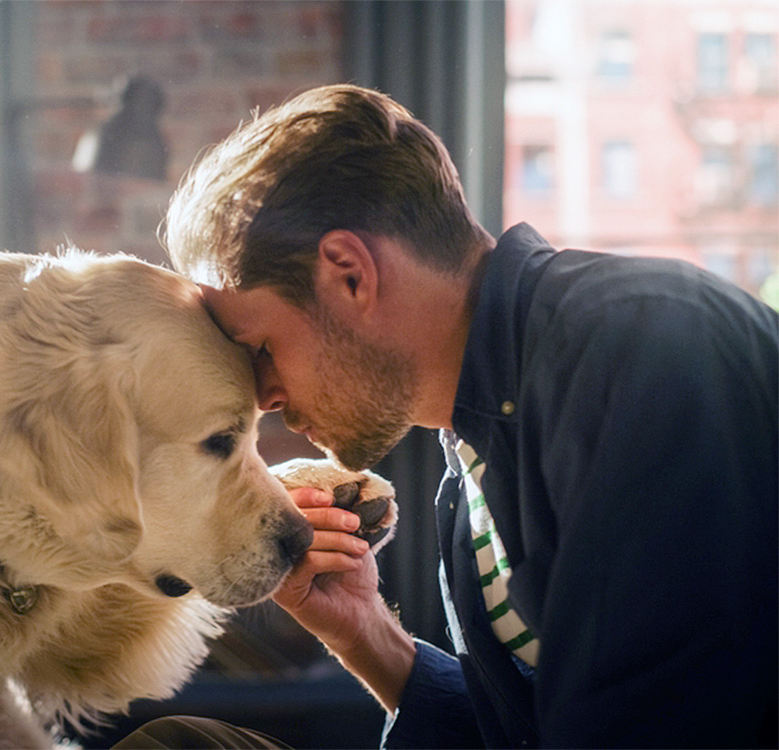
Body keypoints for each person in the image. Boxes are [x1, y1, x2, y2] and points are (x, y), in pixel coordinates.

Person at [151, 84, 778, 748]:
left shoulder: (646, 349)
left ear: (349, 275)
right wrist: (364, 632)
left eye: (261, 349)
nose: (264, 396)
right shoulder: (474, 451)